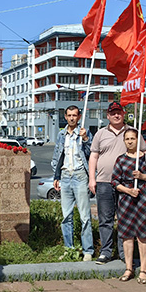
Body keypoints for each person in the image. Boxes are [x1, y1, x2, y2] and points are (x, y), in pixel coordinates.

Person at [89, 102, 146, 264]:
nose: (116, 115)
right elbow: (94, 156)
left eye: (119, 112)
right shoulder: (100, 134)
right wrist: (92, 179)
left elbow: (143, 151)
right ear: (108, 116)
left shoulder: (132, 133)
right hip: (104, 182)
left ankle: (124, 254)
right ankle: (106, 252)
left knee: (125, 219)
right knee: (105, 219)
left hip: (126, 183)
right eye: (113, 113)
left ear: (123, 114)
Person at [111, 128, 146, 283]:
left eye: (133, 138)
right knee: (127, 235)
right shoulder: (121, 160)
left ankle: (144, 269)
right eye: (127, 139)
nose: (130, 141)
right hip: (126, 201)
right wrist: (128, 191)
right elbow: (115, 181)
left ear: (138, 140)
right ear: (124, 141)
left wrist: (142, 176)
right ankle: (129, 268)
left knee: (143, 235)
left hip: (144, 200)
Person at [51, 105, 94, 261]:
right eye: (69, 115)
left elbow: (91, 154)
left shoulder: (85, 132)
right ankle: (69, 249)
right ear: (65, 116)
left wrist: (86, 139)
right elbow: (58, 156)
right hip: (65, 175)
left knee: (85, 216)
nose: (71, 118)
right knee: (66, 216)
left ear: (79, 116)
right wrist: (56, 175)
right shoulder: (62, 134)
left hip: (80, 175)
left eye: (74, 115)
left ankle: (88, 250)